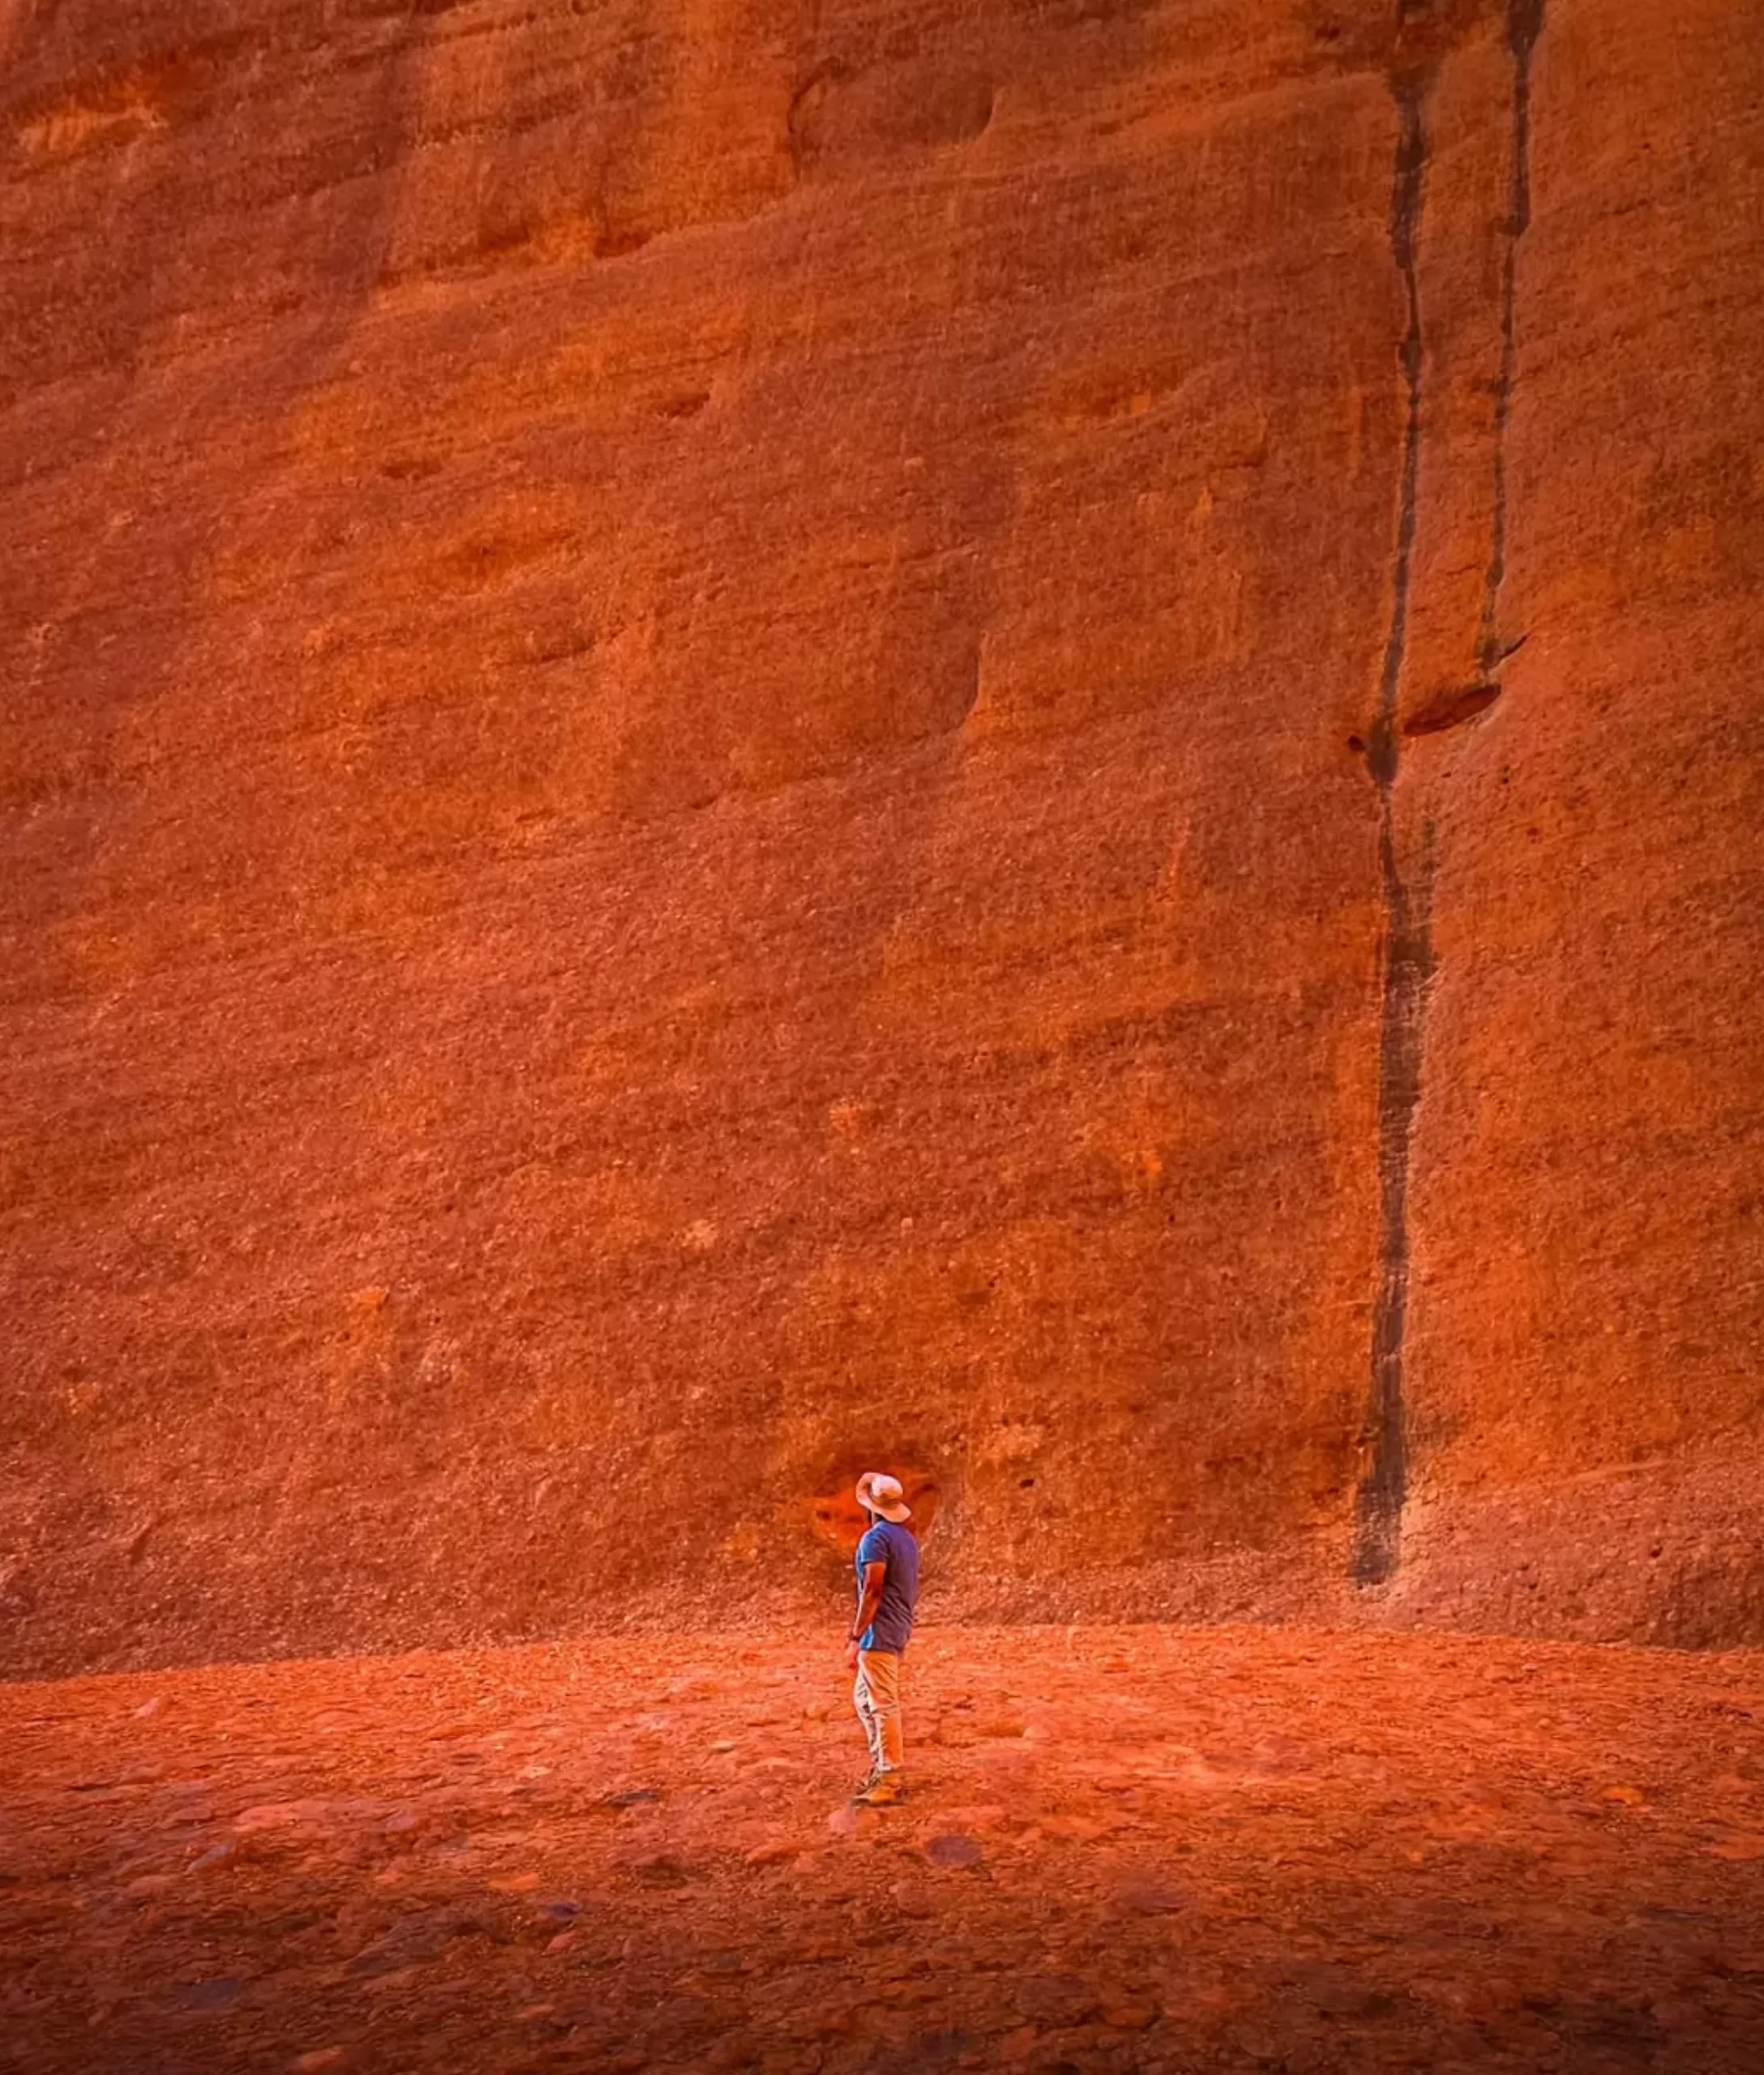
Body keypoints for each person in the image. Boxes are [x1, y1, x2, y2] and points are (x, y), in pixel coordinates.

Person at [846, 1470, 921, 1808]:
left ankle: (889, 1777)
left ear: (871, 1507)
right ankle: (882, 1766)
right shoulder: (906, 1539)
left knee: (881, 1703)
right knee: (865, 1700)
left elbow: (873, 1589)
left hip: (880, 1630)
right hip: (898, 1624)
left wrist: (855, 1635)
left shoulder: (875, 1539)